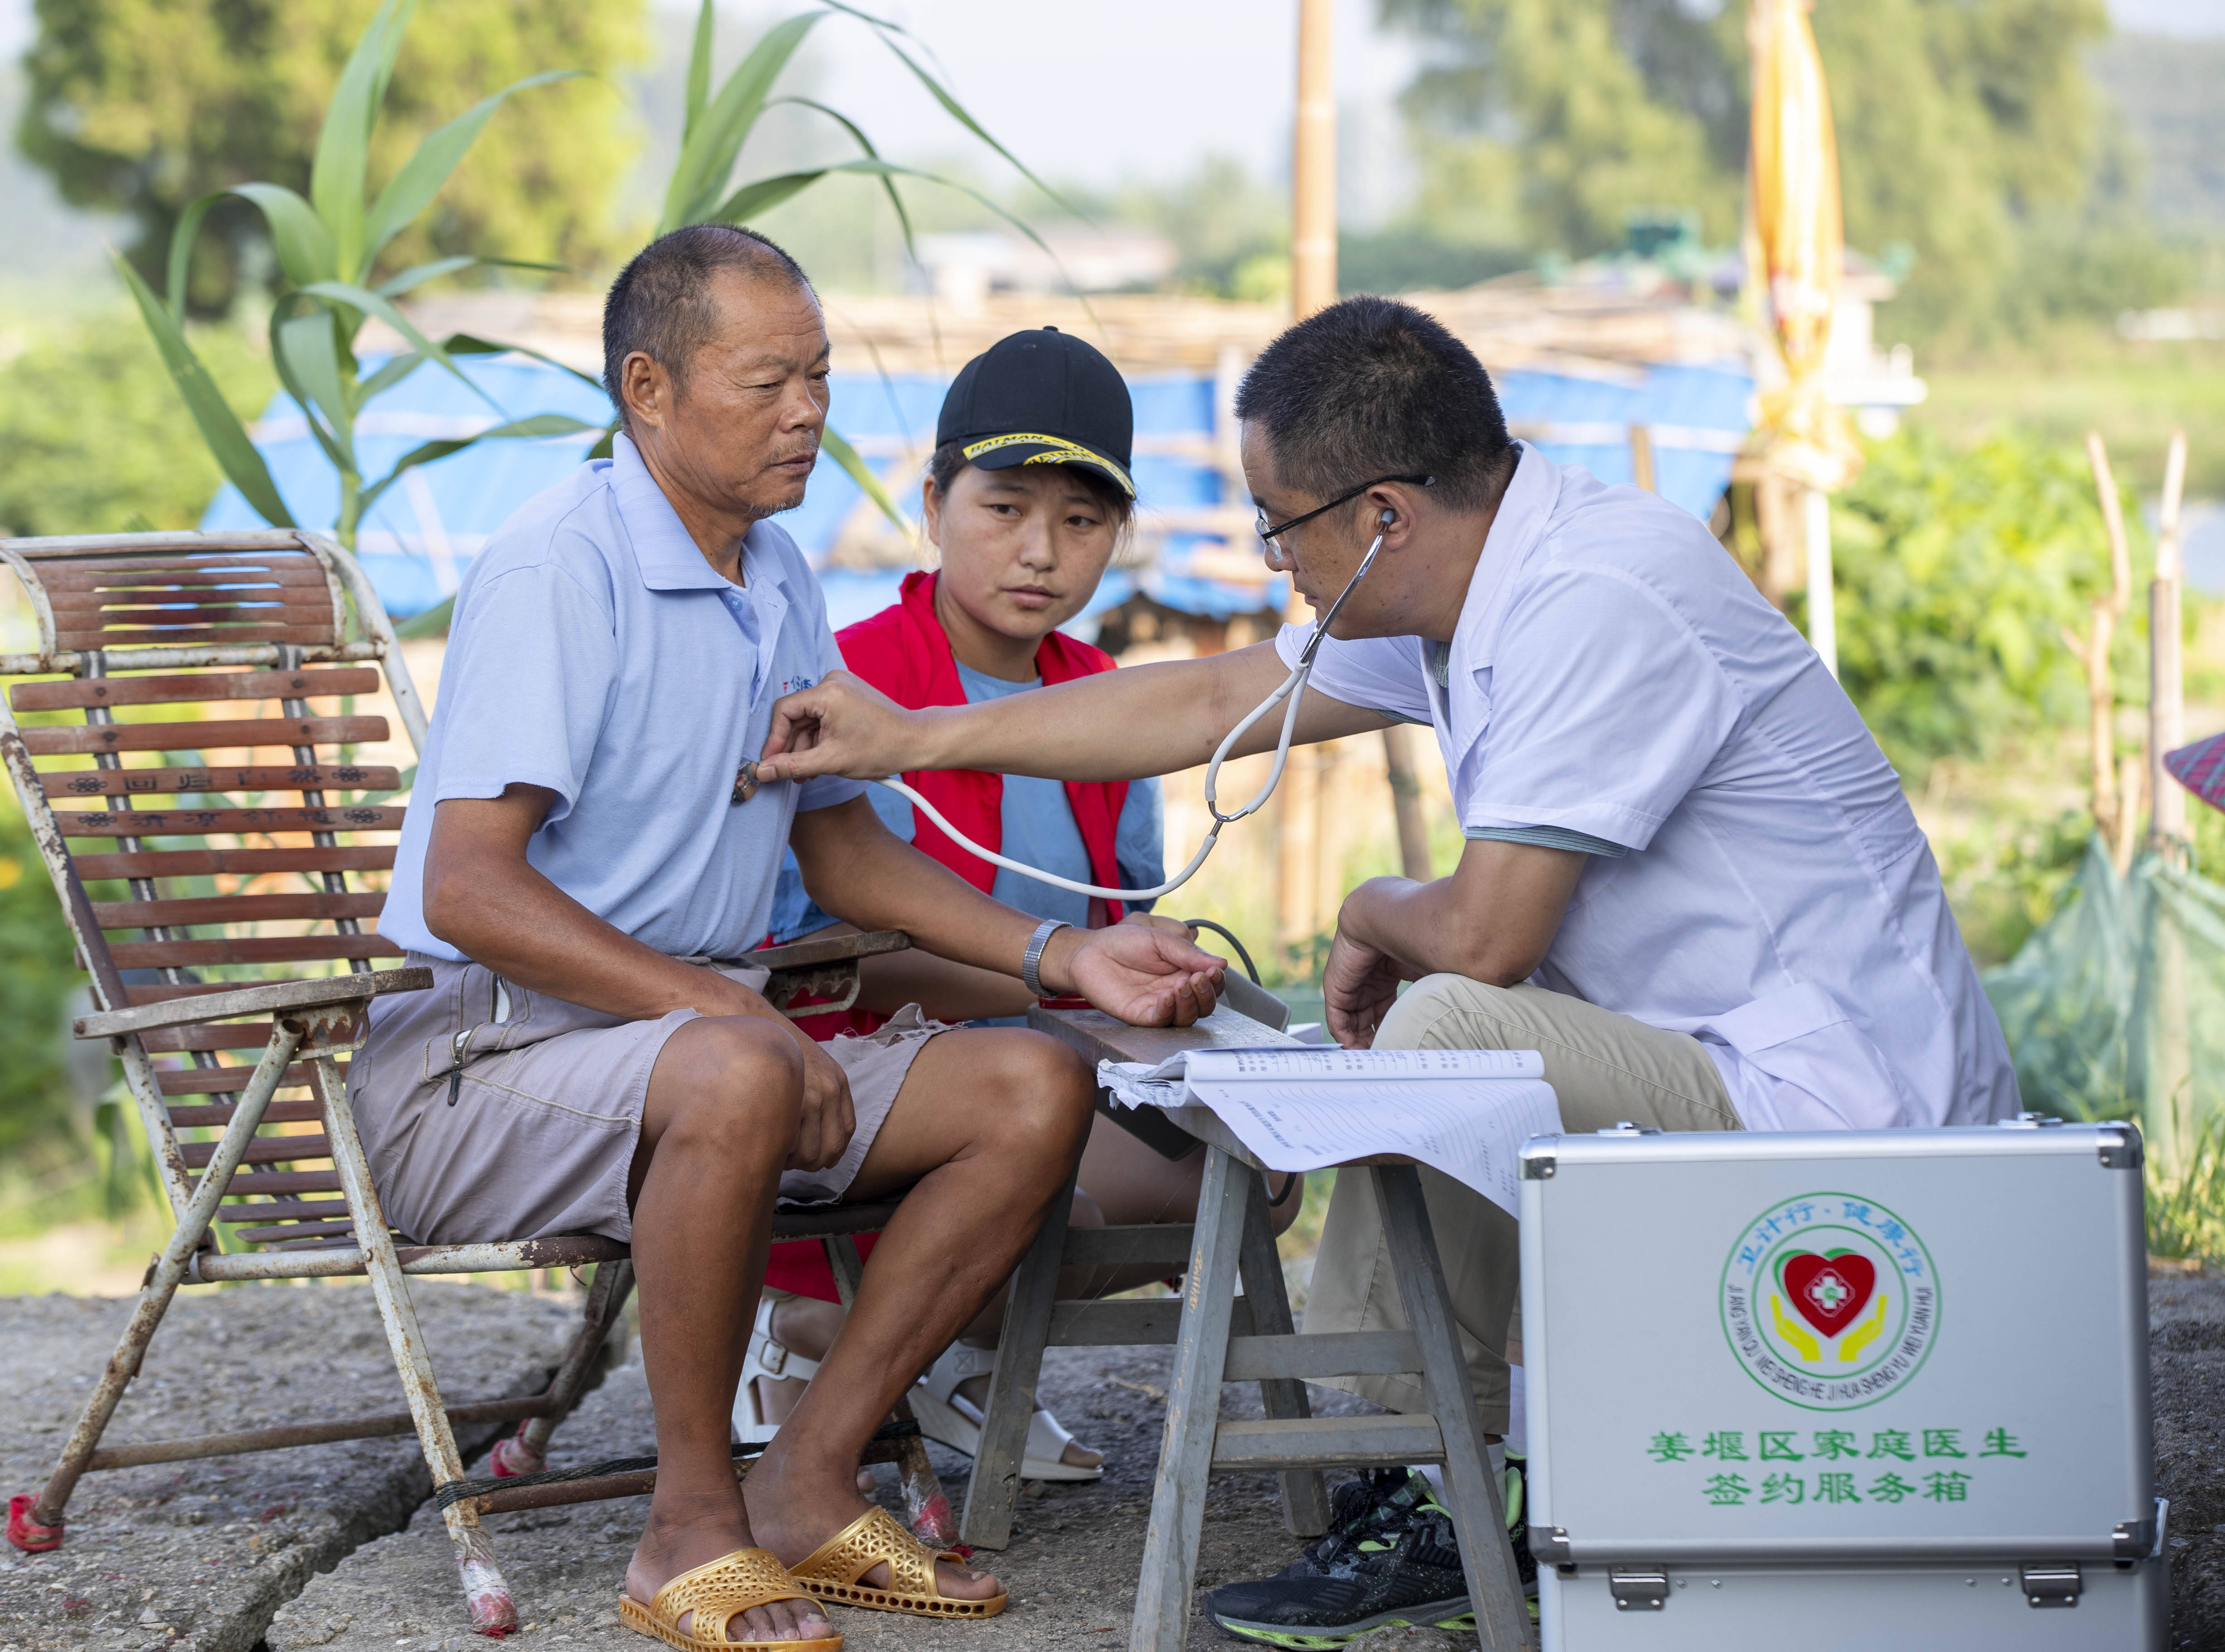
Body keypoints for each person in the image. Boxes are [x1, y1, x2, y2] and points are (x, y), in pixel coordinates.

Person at [752, 295, 2020, 1645]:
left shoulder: (1593, 600)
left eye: (1277, 524)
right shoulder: (1476, 577)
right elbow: (1206, 701)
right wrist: (914, 740)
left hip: (1838, 1101)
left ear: (1381, 518)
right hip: (1714, 1057)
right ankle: (1428, 1457)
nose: (1273, 562)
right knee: (1418, 1039)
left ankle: (1432, 1467)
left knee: (1454, 1024)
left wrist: (1367, 905)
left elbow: (1484, 936)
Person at [352, 224, 1227, 1651]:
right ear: (649, 388)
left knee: (1035, 1087)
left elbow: (839, 844)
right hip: (476, 1062)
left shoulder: (771, 574)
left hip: (678, 1050)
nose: (808, 412)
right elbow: (469, 891)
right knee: (738, 1066)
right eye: (766, 382)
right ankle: (686, 1530)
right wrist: (728, 1013)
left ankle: (809, 1478)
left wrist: (1064, 961)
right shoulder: (560, 567)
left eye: (817, 376)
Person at [737, 327, 1303, 1483]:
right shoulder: (849, 688)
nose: (1040, 552)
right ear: (935, 503)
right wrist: (1067, 966)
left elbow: (1116, 917)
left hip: (1055, 1068)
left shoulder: (1105, 704)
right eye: (1004, 508)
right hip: (871, 1092)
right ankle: (813, 1334)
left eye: (1082, 522)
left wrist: (1143, 972)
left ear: (1118, 537)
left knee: (1265, 1171)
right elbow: (821, 962)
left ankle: (944, 1361)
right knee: (1065, 1210)